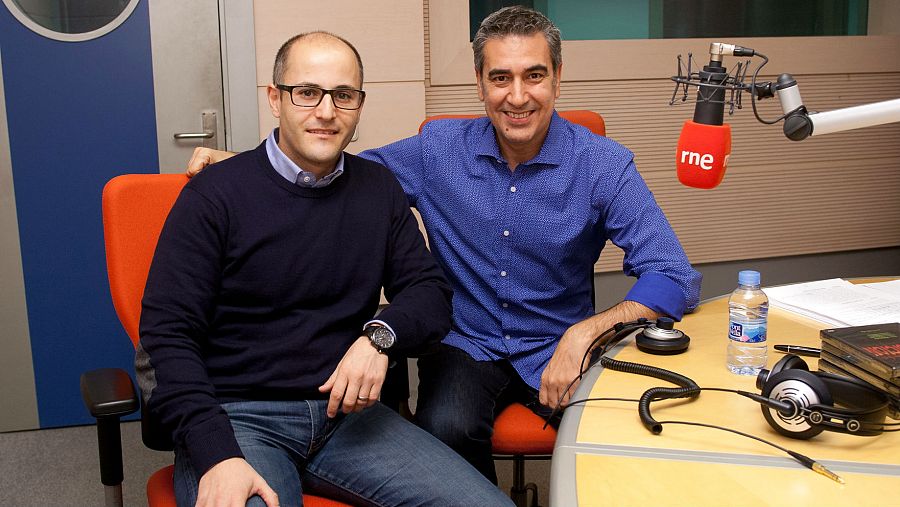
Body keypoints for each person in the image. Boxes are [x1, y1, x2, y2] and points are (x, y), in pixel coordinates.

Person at [186, 7, 702, 483]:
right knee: (444, 430)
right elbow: (339, 171)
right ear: (479, 83)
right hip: (466, 342)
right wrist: (245, 165)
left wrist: (584, 335)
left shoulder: (603, 165)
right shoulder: (437, 151)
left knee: (628, 436)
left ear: (558, 79)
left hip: (561, 340)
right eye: (500, 77)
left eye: (534, 76)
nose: (517, 96)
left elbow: (674, 275)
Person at [140, 31, 515, 507]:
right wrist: (215, 454)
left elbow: (429, 293)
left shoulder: (378, 190)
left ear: (359, 104)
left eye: (343, 95)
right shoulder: (214, 197)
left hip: (348, 417)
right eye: (307, 92)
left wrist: (379, 337)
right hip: (236, 419)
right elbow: (167, 336)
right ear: (275, 99)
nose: (326, 111)